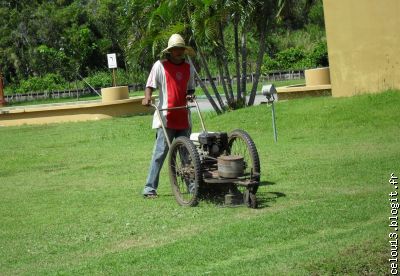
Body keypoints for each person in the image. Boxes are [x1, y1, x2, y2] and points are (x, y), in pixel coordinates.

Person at [141, 34, 196, 198]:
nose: (178, 52)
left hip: (183, 117)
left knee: (187, 155)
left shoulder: (188, 66)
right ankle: (149, 188)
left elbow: (191, 87)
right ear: (170, 51)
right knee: (160, 154)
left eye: (180, 49)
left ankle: (192, 187)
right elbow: (150, 84)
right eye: (175, 49)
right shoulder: (160, 66)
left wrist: (190, 95)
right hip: (165, 118)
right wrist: (147, 97)